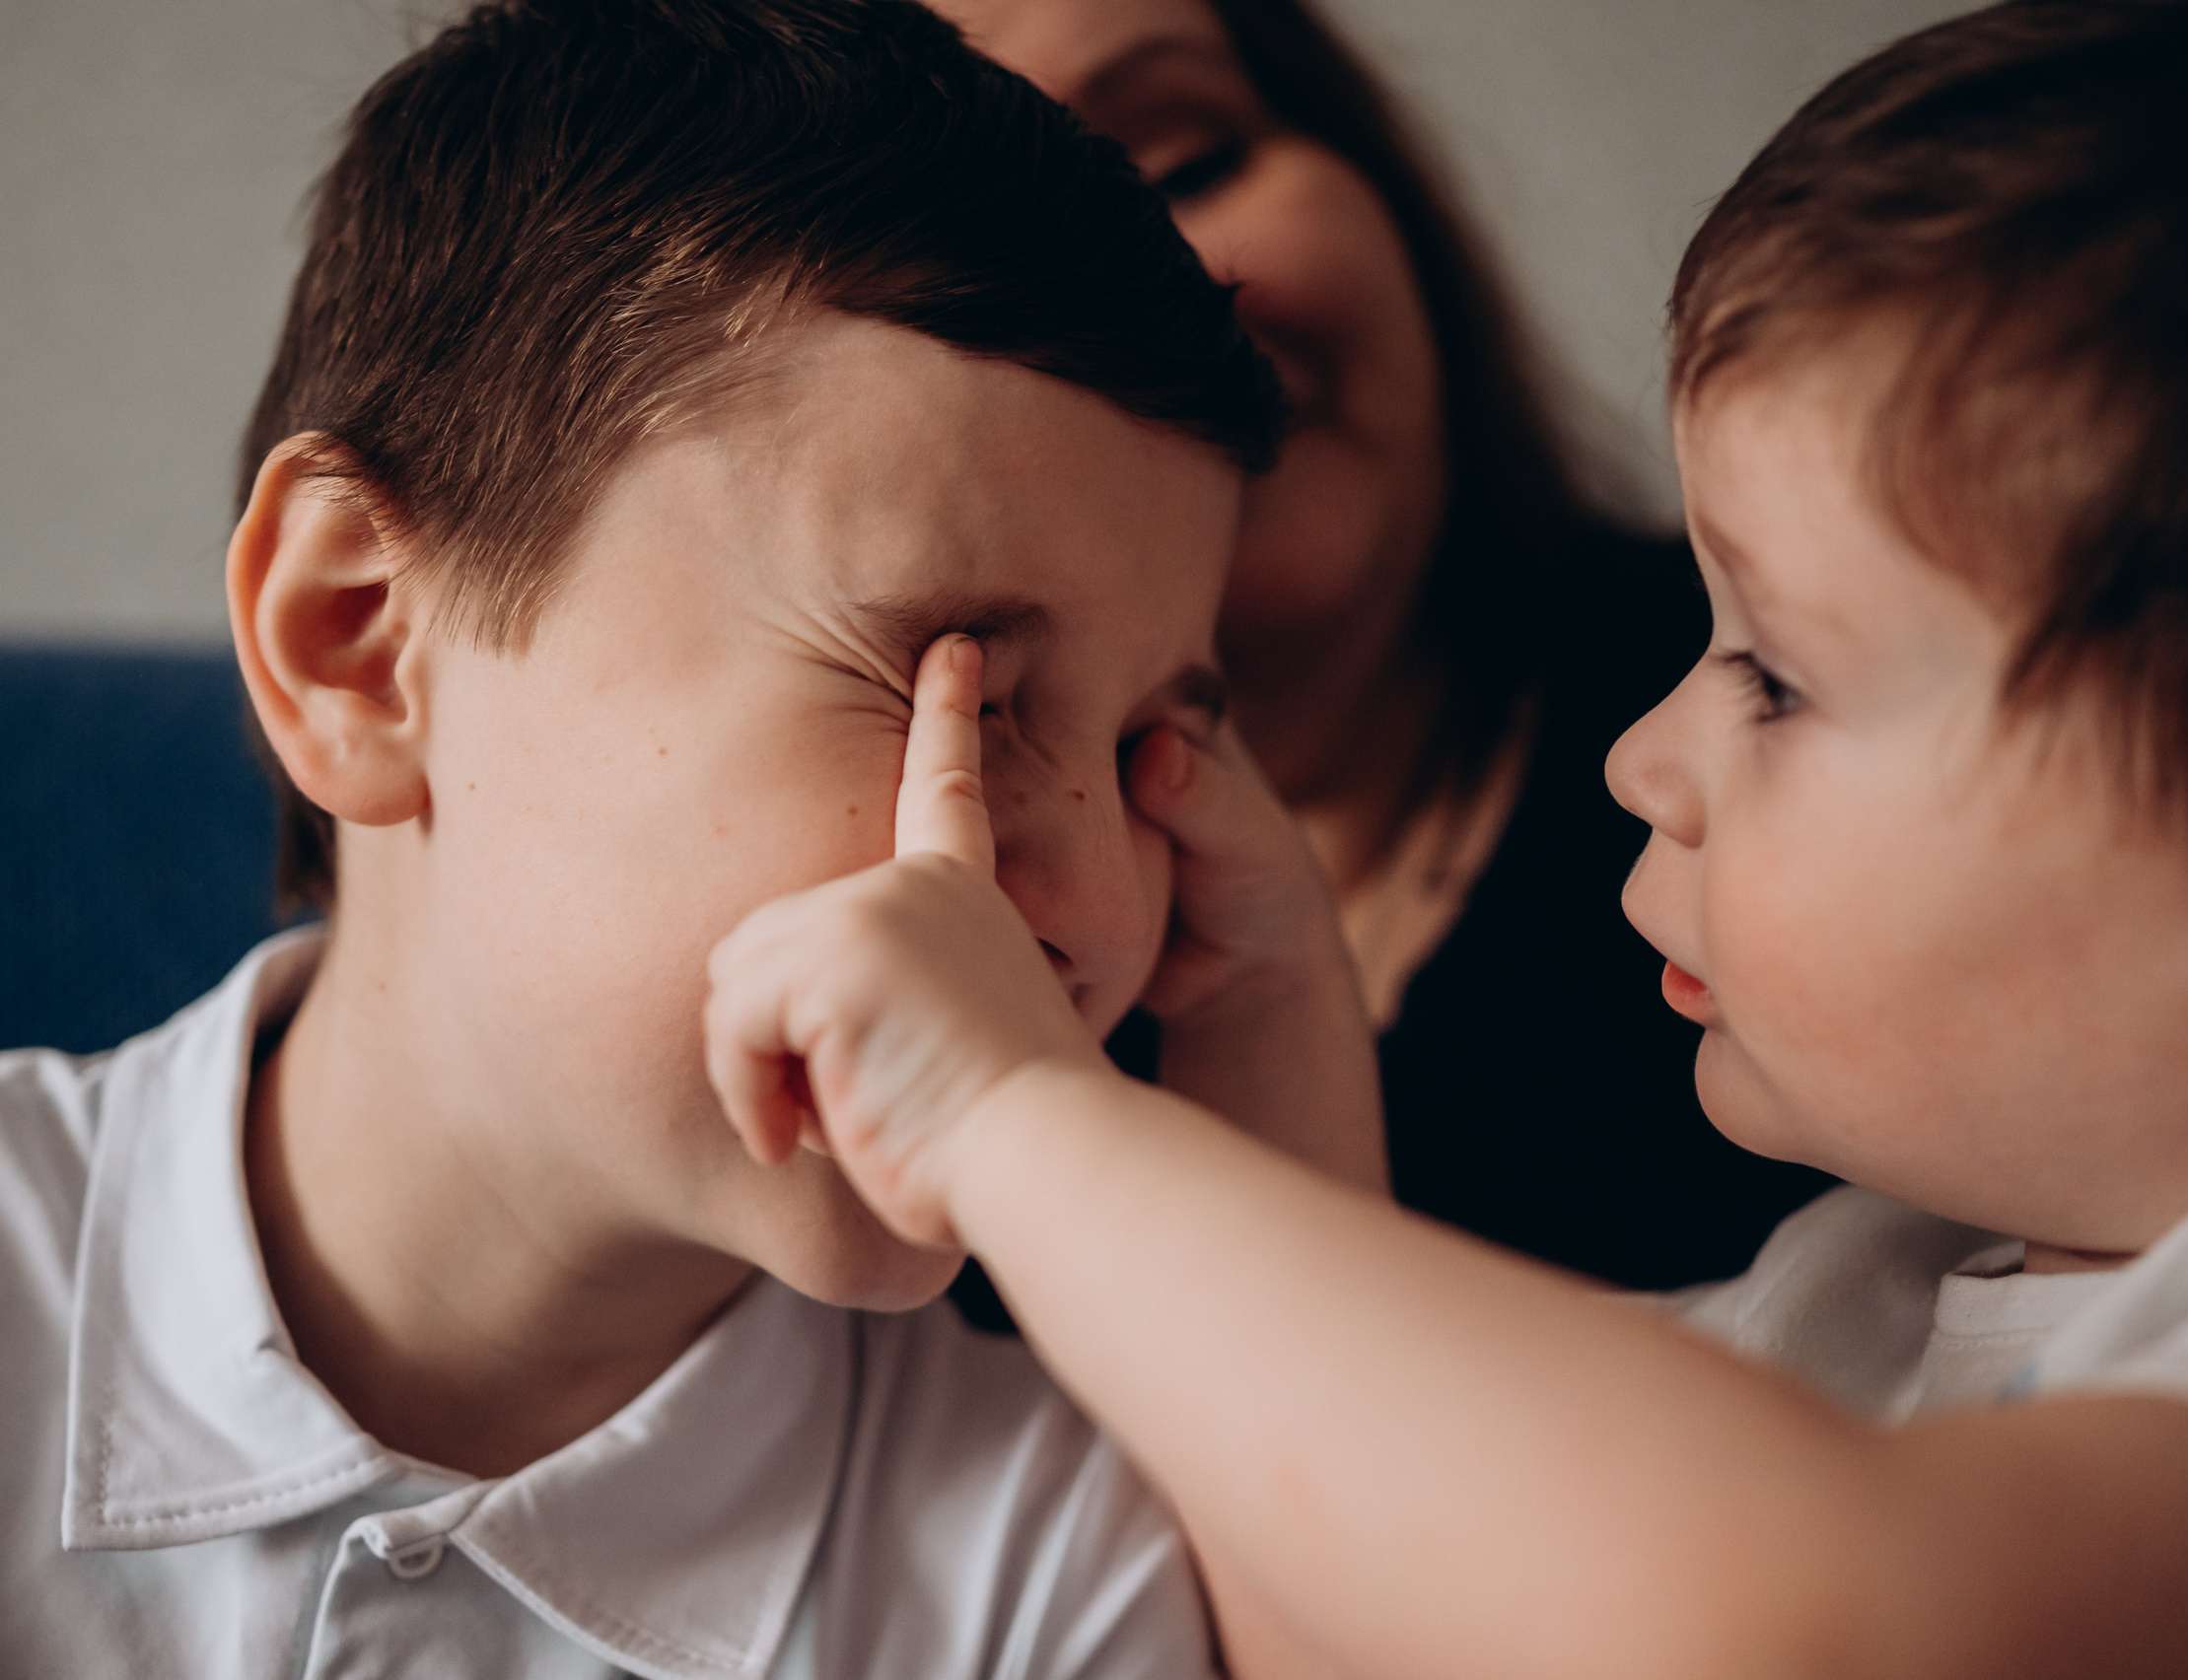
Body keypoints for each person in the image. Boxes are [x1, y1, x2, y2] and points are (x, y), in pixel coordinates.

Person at [703, 0, 2188, 1673]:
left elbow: (1797, 1627)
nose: (1645, 760)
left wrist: (1005, 1119)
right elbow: (1355, 1609)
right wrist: (1265, 1049)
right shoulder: (1856, 1292)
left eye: (1776, 680)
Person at [0, 1, 1376, 1674]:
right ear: (356, 641)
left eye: (1157, 750)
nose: (1089, 906)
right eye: (959, 688)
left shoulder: (1051, 1557)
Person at [930, 0, 1830, 1294]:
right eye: (996, 256)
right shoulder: (937, 1017)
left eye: (1190, 163)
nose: (1170, 287)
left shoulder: (1821, 717)